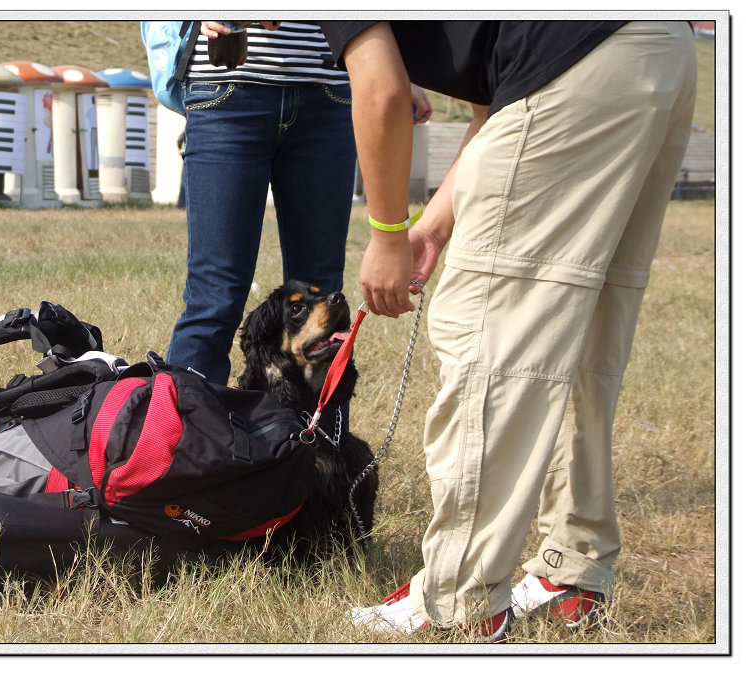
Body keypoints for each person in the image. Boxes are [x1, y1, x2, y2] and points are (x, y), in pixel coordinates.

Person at [318, 20, 697, 641]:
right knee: (582, 328)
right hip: (657, 47)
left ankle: (460, 600)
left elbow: (383, 92)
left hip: (578, 61)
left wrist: (387, 235)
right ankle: (572, 570)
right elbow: (496, 106)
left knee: (489, 331)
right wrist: (433, 228)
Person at [166, 21, 431, 386]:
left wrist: (398, 70)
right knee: (214, 299)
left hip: (330, 92)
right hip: (228, 87)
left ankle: (321, 441)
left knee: (325, 303)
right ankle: (178, 439)